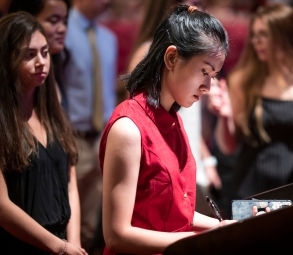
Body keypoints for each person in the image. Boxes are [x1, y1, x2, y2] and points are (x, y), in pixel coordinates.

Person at [99, 5, 237, 255]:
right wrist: (199, 240)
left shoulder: (173, 120)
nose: (207, 86)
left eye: (213, 75)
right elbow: (117, 235)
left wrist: (224, 227)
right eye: (204, 71)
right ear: (172, 58)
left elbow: (177, 213)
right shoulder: (128, 128)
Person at [208, 3, 293, 203]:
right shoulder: (243, 80)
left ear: (287, 35)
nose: (256, 41)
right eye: (254, 35)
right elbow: (229, 147)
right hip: (251, 187)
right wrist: (224, 117)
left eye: (264, 34)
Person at [0, 12, 86, 254]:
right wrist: (60, 247)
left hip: (62, 243)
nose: (41, 62)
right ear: (6, 61)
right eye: (29, 55)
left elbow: (70, 185)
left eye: (45, 53)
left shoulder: (52, 112)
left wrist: (73, 243)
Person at [127, 0, 221, 217]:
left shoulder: (176, 120)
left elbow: (193, 126)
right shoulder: (150, 53)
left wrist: (206, 159)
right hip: (162, 161)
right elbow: (140, 116)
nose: (196, 8)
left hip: (185, 154)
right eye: (191, 2)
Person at [64, 0, 118, 251]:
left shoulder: (108, 38)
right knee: (66, 216)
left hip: (100, 137)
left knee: (91, 223)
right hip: (71, 135)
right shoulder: (62, 32)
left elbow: (108, 89)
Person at [8, 0, 70, 111]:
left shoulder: (58, 62)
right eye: (54, 21)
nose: (63, 29)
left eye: (65, 22)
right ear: (27, 21)